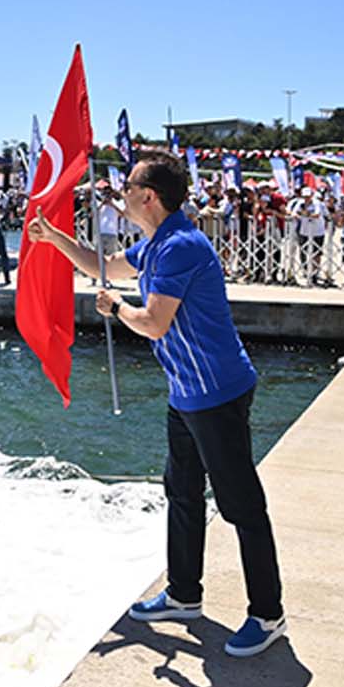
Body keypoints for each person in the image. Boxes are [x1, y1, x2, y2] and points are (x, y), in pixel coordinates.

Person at [26, 150, 286, 659]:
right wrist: (55, 240)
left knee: (242, 506)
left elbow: (153, 322)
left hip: (218, 393)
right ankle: (184, 596)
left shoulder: (181, 246)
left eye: (127, 188)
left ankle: (268, 613)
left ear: (148, 196)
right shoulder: (158, 241)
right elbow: (107, 265)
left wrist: (116, 307)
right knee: (182, 495)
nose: (121, 195)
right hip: (186, 393)